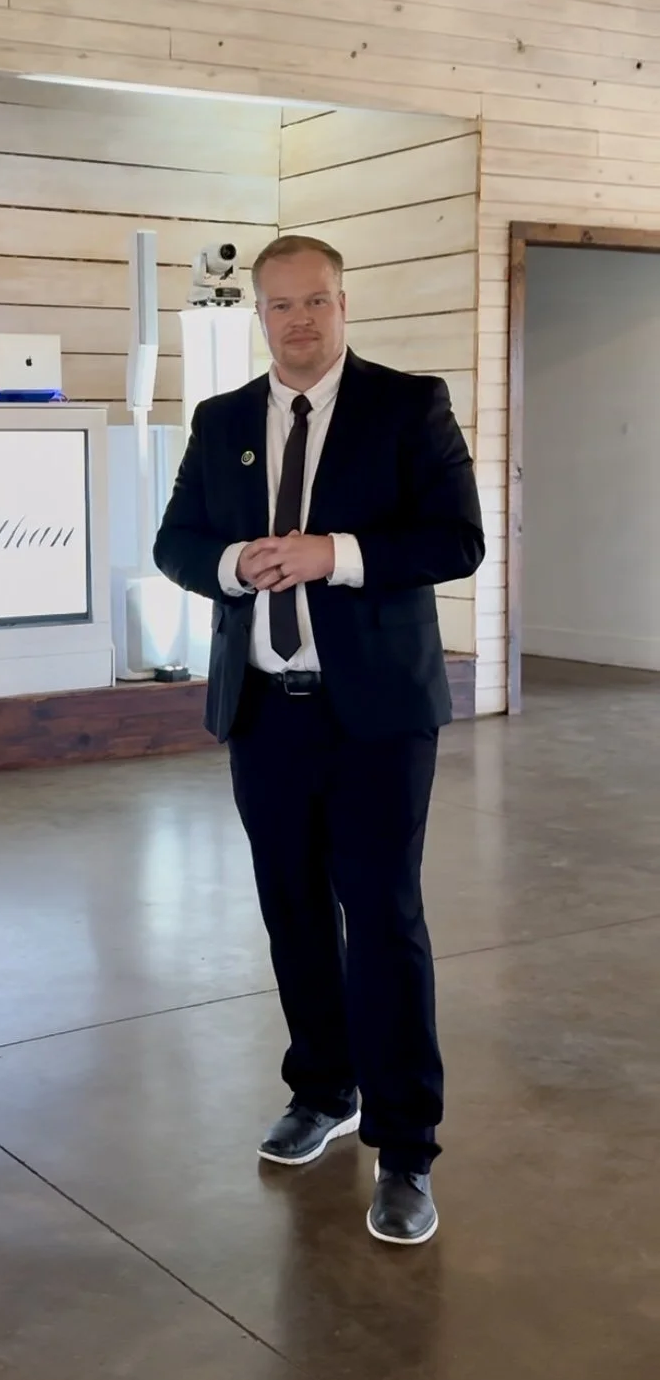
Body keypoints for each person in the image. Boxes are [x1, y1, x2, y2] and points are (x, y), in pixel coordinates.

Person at [154, 236, 484, 1246]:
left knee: (381, 920)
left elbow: (456, 538)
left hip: (378, 714)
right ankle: (323, 1089)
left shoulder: (407, 404)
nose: (300, 323)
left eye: (317, 304)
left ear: (345, 304)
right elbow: (174, 543)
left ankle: (406, 1145)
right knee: (293, 911)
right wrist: (229, 563)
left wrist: (331, 555)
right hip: (266, 708)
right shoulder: (220, 422)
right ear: (259, 315)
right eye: (281, 307)